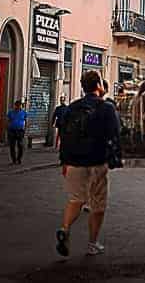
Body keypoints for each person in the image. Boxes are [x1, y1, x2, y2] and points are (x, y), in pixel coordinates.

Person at [55, 70, 122, 257]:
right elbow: (115, 134)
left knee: (76, 199)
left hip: (73, 162)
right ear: (99, 85)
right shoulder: (107, 108)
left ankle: (65, 228)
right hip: (96, 161)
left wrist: (64, 161)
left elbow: (64, 135)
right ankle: (92, 244)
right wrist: (115, 157)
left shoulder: (72, 107)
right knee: (97, 204)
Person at [7, 99, 27, 165]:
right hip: (12, 130)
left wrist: (24, 129)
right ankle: (14, 160)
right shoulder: (10, 112)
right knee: (12, 146)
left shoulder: (24, 112)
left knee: (20, 146)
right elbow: (8, 120)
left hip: (20, 131)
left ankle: (19, 159)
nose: (18, 107)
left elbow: (26, 121)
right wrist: (8, 129)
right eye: (17, 105)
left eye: (19, 105)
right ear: (15, 106)